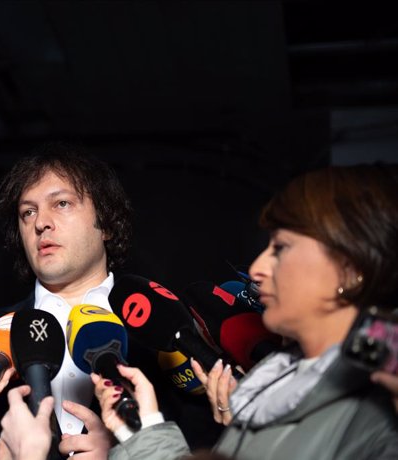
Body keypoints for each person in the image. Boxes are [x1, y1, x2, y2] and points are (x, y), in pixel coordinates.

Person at [0, 142, 221, 459]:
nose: (41, 222)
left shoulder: (164, 328)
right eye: (28, 212)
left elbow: (213, 443)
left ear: (107, 223)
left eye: (62, 204)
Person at [90, 163, 398, 459]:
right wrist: (143, 431)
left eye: (281, 248)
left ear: (350, 268)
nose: (258, 268)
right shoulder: (272, 380)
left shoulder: (380, 416)